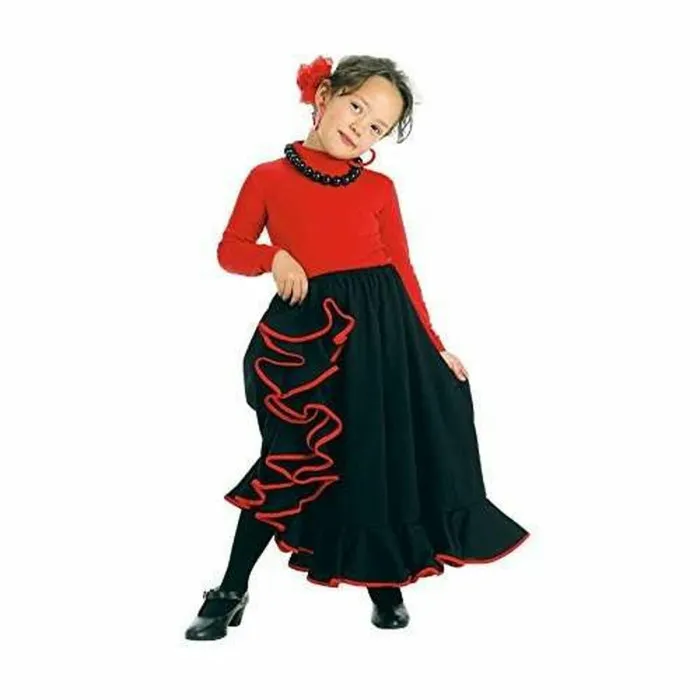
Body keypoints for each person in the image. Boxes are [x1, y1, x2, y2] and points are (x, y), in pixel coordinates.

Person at [185, 54, 529, 640]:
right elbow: (230, 248)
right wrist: (274, 257)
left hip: (385, 333)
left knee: (376, 455)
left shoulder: (379, 188)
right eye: (357, 108)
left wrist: (434, 345)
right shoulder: (267, 176)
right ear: (325, 95)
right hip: (310, 339)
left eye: (376, 127)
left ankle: (384, 583)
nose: (360, 128)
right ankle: (231, 589)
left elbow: (402, 268)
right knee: (289, 458)